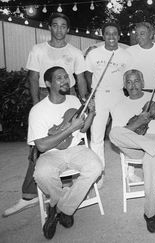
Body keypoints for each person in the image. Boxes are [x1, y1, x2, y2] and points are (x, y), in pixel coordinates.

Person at [3, 12, 88, 218]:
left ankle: (63, 188)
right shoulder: (38, 49)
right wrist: (36, 106)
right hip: (44, 95)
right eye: (55, 25)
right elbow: (33, 78)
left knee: (70, 138)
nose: (59, 29)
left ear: (67, 29)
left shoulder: (75, 52)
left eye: (63, 26)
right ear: (49, 28)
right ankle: (29, 194)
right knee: (39, 146)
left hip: (68, 95)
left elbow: (80, 78)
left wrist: (85, 101)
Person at [30, 66, 102, 239]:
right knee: (41, 174)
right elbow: (41, 146)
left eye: (66, 77)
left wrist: (91, 113)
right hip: (51, 153)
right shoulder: (37, 110)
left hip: (76, 148)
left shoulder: (74, 100)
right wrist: (69, 129)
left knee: (96, 167)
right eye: (59, 78)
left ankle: (60, 208)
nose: (65, 81)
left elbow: (83, 129)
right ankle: (65, 207)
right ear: (48, 83)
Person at [109, 69, 155, 233]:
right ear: (124, 85)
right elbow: (121, 134)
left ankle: (150, 214)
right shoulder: (119, 106)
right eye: (129, 82)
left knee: (153, 157)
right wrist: (138, 122)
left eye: (136, 81)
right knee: (114, 133)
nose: (133, 85)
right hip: (135, 145)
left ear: (142, 83)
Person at [85, 22, 131, 187]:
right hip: (100, 96)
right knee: (96, 136)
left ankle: (129, 172)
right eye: (108, 33)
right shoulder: (93, 54)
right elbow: (88, 75)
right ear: (102, 35)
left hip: (119, 95)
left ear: (119, 36)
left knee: (123, 133)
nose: (111, 37)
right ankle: (98, 175)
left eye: (114, 33)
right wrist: (92, 94)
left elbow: (129, 78)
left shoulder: (126, 55)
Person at [125, 22, 155, 182]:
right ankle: (130, 171)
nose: (138, 36)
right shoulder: (129, 51)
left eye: (142, 33)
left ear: (152, 35)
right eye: (136, 33)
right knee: (134, 127)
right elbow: (127, 75)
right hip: (136, 93)